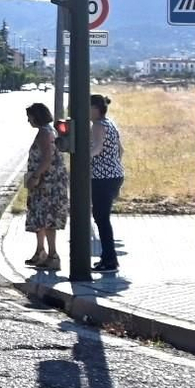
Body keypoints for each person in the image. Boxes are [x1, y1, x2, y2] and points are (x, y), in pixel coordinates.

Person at [23, 102, 67, 269]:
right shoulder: (49, 130)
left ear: (37, 116)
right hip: (48, 182)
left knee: (47, 218)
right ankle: (41, 251)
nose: (29, 121)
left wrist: (35, 176)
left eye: (30, 117)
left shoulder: (44, 133)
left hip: (47, 184)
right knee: (41, 218)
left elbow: (47, 159)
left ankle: (52, 255)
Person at [88, 93, 125, 272]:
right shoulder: (110, 123)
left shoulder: (97, 125)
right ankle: (107, 257)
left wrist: (81, 156)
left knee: (101, 218)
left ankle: (110, 260)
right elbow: (120, 149)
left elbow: (96, 148)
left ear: (95, 109)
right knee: (102, 217)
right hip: (114, 175)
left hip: (102, 177)